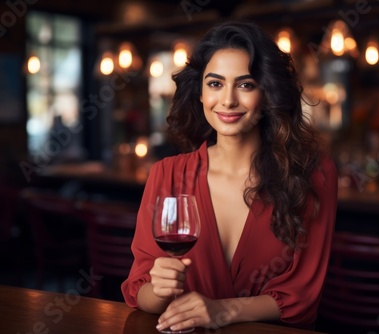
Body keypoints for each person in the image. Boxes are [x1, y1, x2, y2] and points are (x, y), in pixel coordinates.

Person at [121, 21, 337, 331]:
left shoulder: (313, 174)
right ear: (199, 92)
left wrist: (221, 311)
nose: (228, 100)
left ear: (267, 92)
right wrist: (158, 289)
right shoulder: (166, 174)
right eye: (215, 83)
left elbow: (302, 298)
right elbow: (138, 290)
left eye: (246, 84)